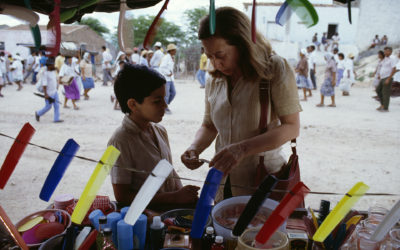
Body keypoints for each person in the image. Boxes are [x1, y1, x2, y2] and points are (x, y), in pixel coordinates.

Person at [180, 7, 301, 202]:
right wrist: (194, 148)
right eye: (209, 56)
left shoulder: (274, 69)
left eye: (220, 55)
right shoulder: (214, 79)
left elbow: (291, 127)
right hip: (222, 182)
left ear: (243, 44)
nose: (215, 63)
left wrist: (242, 149)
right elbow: (209, 125)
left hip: (262, 182)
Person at [108, 64, 199, 208]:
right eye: (157, 101)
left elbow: (169, 171)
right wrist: (174, 198)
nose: (165, 105)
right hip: (147, 217)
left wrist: (182, 194)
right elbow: (123, 197)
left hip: (168, 213)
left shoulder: (159, 130)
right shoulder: (120, 141)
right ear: (133, 104)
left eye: (164, 98)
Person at [34, 57, 63, 123]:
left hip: (54, 92)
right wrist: (46, 94)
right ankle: (38, 113)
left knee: (57, 106)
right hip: (49, 93)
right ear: (49, 66)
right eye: (52, 65)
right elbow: (44, 85)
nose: (54, 66)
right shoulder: (45, 73)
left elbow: (55, 79)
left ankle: (56, 119)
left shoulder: (52, 71)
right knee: (48, 107)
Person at [376, 47, 396, 112]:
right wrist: (379, 75)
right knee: (378, 90)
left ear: (390, 51)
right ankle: (382, 104)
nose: (384, 52)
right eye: (384, 51)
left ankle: (385, 108)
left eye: (386, 51)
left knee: (386, 93)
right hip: (382, 77)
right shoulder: (385, 58)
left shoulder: (392, 58)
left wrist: (389, 79)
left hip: (387, 77)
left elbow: (394, 69)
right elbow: (383, 67)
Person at [159, 44, 177, 114]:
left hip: (170, 79)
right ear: (171, 51)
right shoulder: (166, 57)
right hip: (166, 78)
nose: (175, 51)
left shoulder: (172, 57)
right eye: (174, 50)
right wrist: (168, 73)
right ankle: (165, 108)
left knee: (173, 93)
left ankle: (164, 105)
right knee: (166, 94)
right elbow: (162, 67)